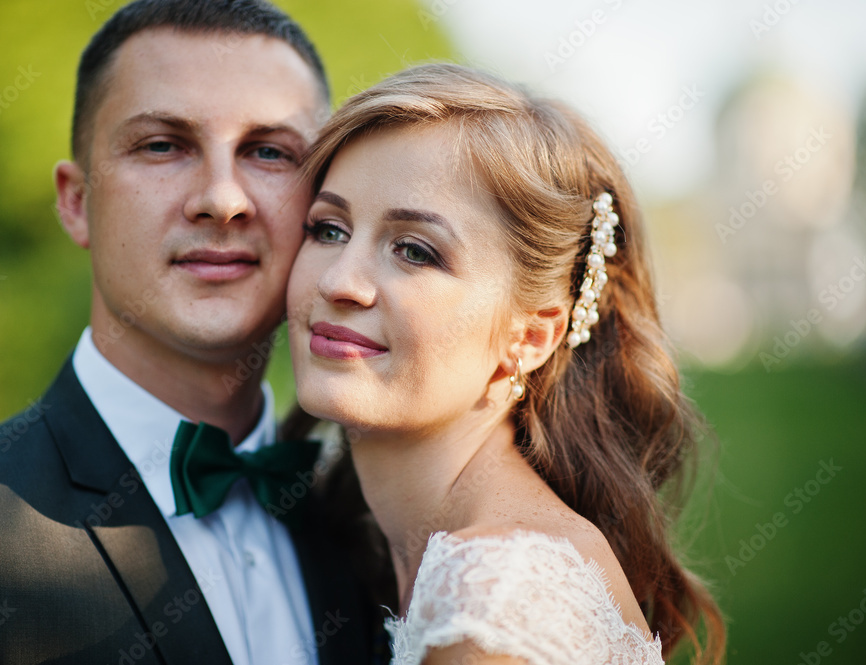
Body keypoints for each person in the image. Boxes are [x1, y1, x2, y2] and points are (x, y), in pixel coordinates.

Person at [0, 1, 384, 664]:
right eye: (163, 145)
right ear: (76, 202)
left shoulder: (370, 520)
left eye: (268, 151)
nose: (222, 199)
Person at [287, 63, 726, 664]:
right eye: (329, 229)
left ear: (532, 335)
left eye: (414, 250)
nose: (340, 282)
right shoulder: (398, 553)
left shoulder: (493, 602)